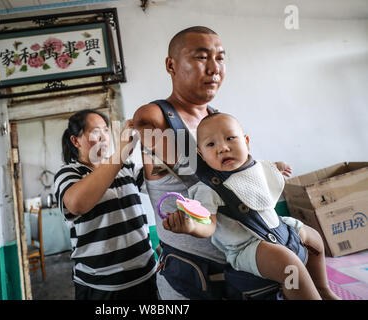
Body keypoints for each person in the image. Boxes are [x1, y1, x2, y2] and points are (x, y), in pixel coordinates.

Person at [133, 26, 292, 300]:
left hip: (245, 273)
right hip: (195, 279)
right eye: (201, 57)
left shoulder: (216, 119)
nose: (214, 68)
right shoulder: (156, 117)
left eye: (220, 58)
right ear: (171, 65)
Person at [163, 112, 340, 300]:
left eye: (230, 138)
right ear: (201, 154)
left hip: (278, 226)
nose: (223, 148)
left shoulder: (255, 166)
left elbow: (261, 171)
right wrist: (192, 226)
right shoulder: (208, 189)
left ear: (246, 142)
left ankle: (322, 288)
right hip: (247, 247)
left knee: (316, 240)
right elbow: (208, 225)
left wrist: (277, 166)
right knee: (290, 266)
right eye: (211, 144)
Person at [53, 109, 158, 300]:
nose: (104, 137)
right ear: (75, 141)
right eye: (95, 132)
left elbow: (159, 181)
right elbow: (76, 204)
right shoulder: (68, 174)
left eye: (106, 130)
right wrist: (121, 153)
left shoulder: (125, 168)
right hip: (101, 287)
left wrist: (149, 140)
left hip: (146, 276)